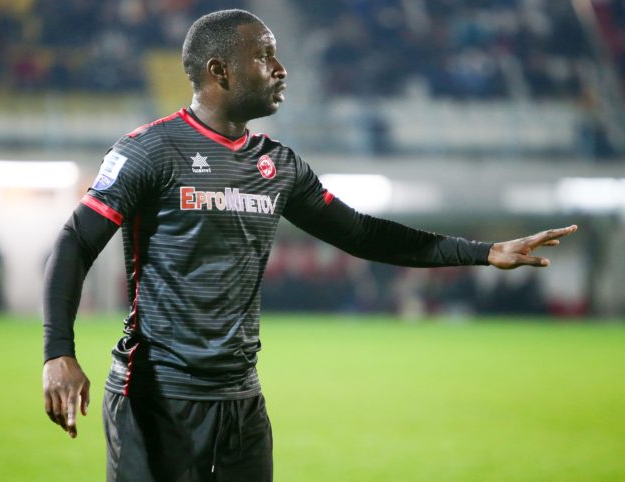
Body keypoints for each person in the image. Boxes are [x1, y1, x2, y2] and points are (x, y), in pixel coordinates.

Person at [42, 9, 578, 482]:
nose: (280, 69)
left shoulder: (277, 164)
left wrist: (483, 252)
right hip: (156, 396)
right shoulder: (150, 151)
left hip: (241, 400)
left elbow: (362, 234)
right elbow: (74, 243)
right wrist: (58, 353)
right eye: (264, 56)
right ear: (219, 71)